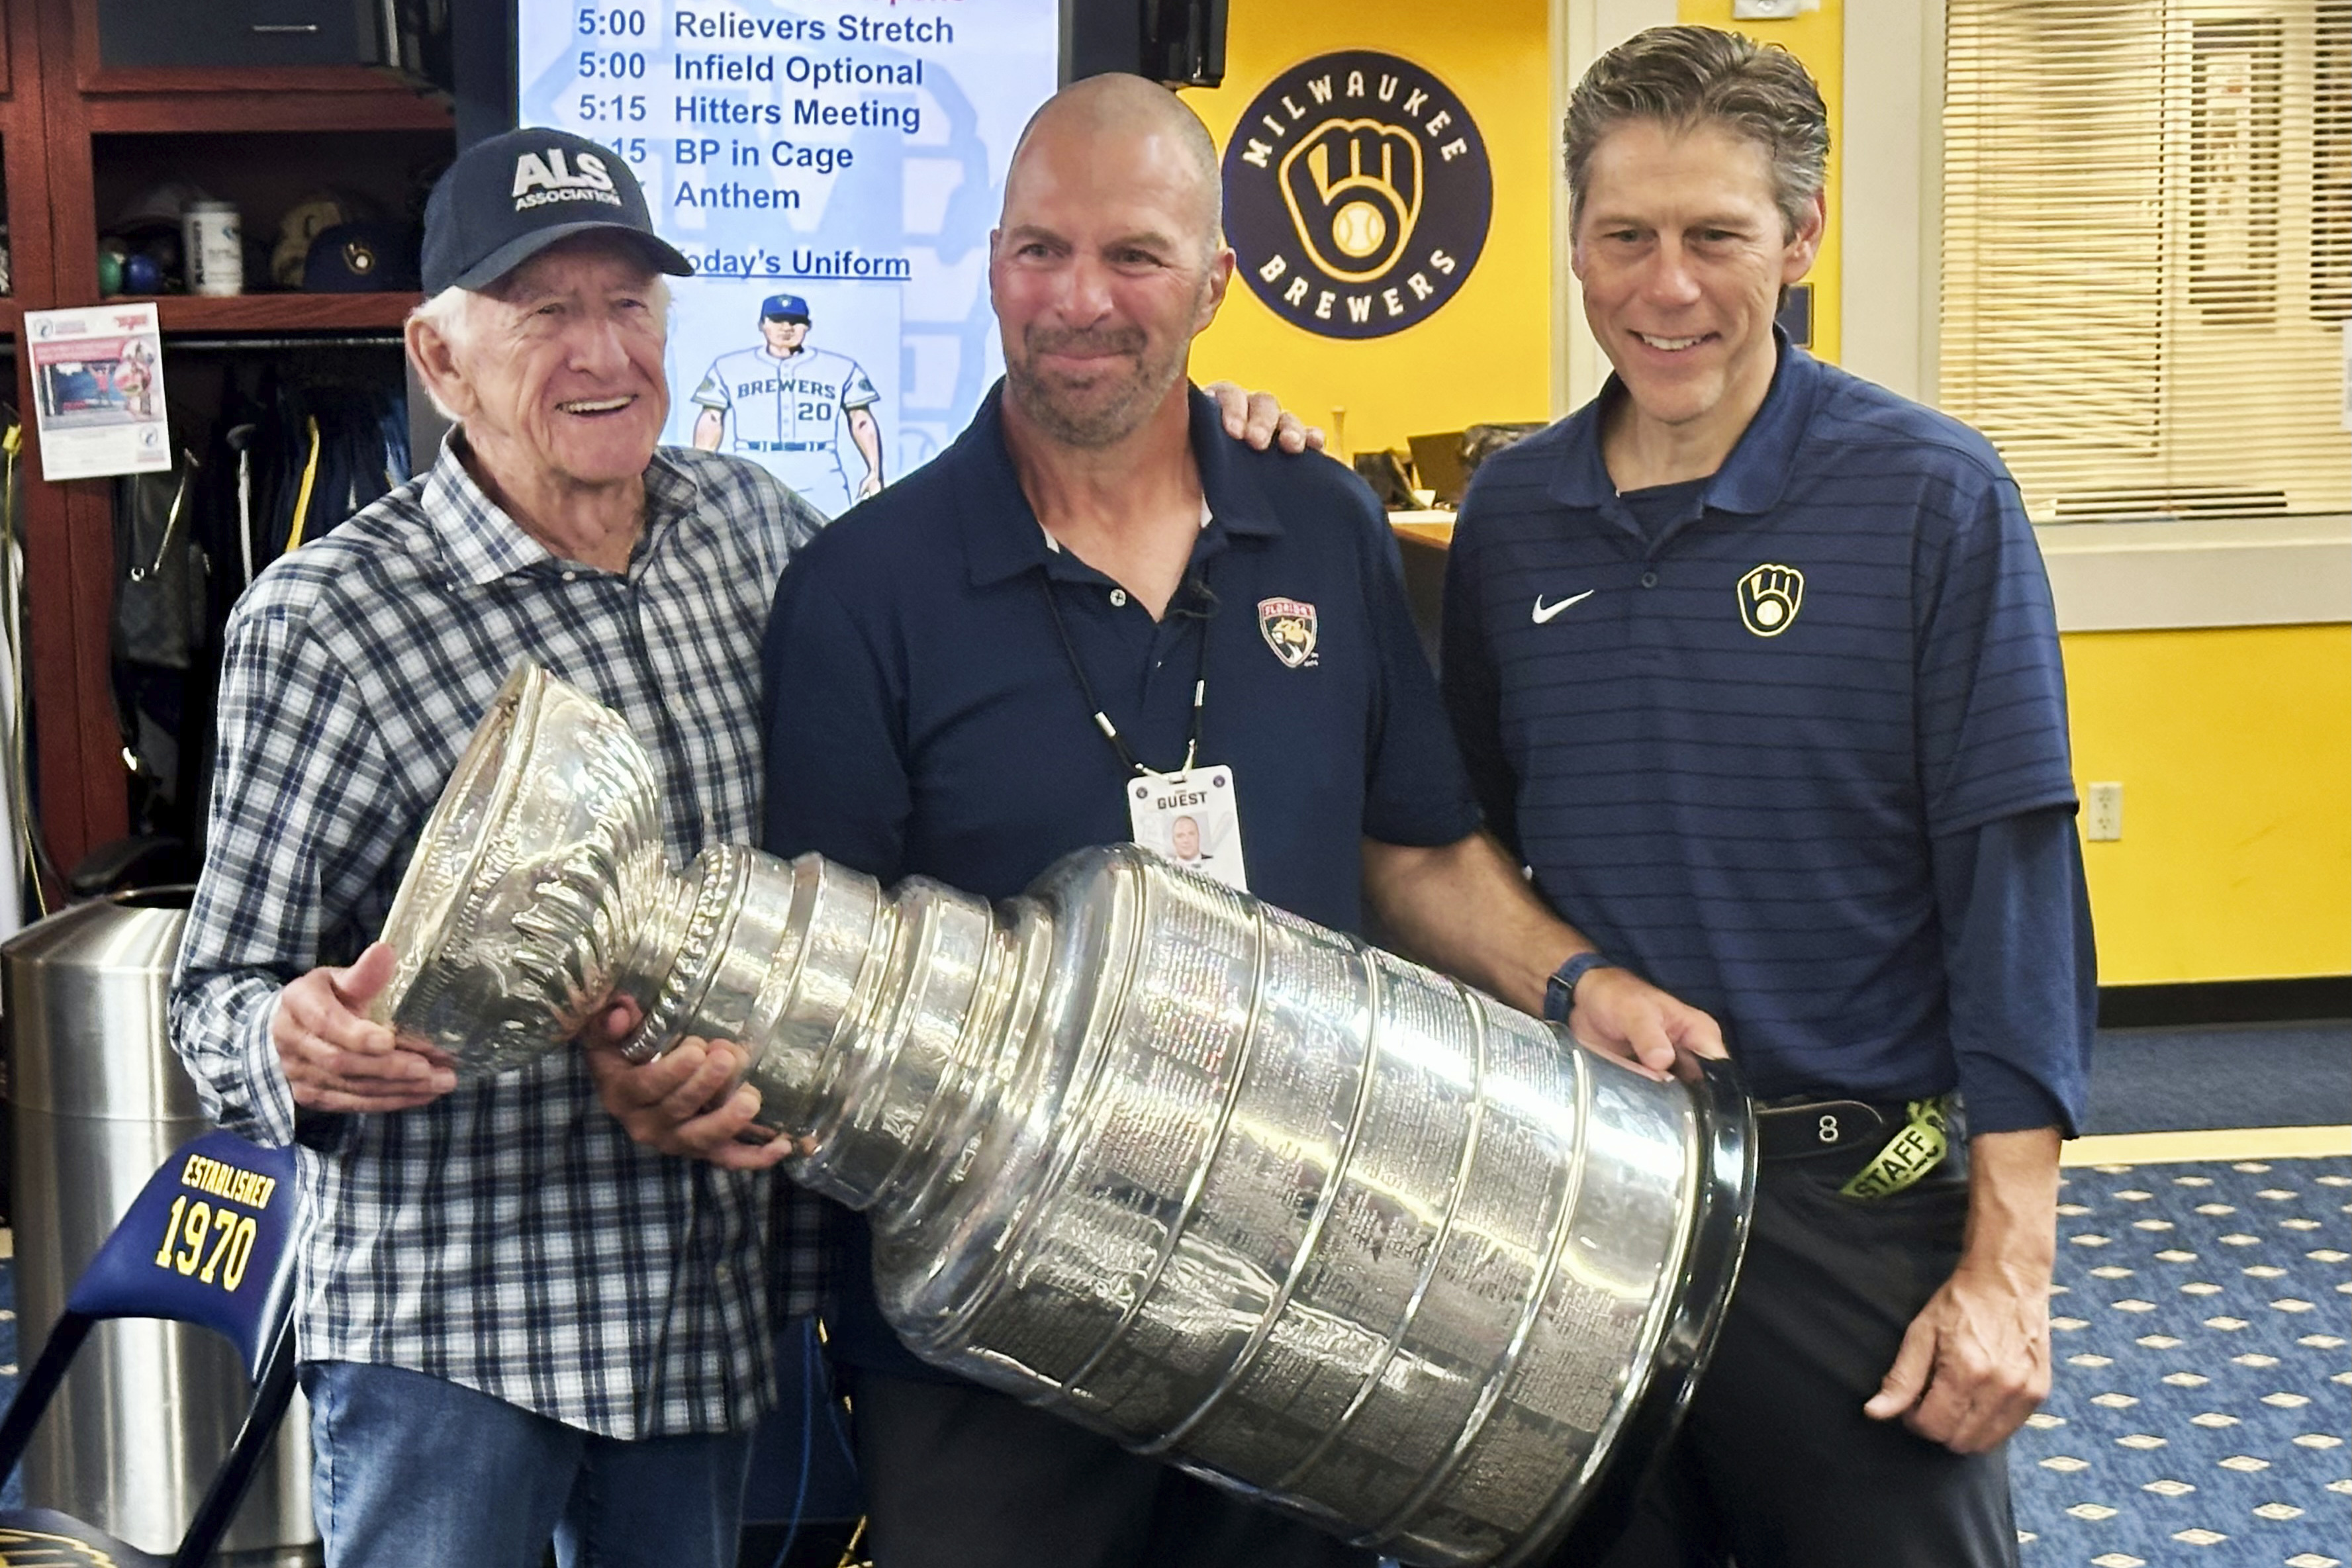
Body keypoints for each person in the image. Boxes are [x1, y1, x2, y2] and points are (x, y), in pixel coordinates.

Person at [598, 72, 1723, 1568]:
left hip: (1309, 1295)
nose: (1078, 300)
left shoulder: (1322, 528)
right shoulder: (864, 588)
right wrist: (686, 1073)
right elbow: (832, 971)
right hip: (985, 1331)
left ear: (1213, 282)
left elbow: (1418, 851)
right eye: (1039, 251)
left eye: (1132, 256)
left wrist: (1578, 984)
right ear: (991, 263)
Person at [1439, 28, 2094, 1568]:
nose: (1665, 287)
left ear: (1798, 241)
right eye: (1625, 236)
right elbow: (1458, 853)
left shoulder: (1932, 497)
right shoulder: (1510, 520)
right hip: (1582, 1211)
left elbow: (2014, 900)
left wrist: (2008, 1265)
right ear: (1578, 246)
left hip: (1847, 1216)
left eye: (1714, 236)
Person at [165, 126, 836, 1568]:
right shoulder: (327, 620)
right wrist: (286, 1040)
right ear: (440, 356)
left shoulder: (760, 536)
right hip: (456, 1326)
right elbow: (211, 992)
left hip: (700, 1305)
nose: (605, 352)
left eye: (631, 306)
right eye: (546, 313)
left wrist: (1216, 440)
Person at [691, 292, 884, 517]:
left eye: (796, 322)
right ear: (762, 325)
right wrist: (700, 472)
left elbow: (861, 420)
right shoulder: (729, 366)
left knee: (832, 545)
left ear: (808, 326)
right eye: (777, 320)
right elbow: (712, 419)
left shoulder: (840, 367)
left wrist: (874, 471)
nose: (787, 328)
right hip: (752, 466)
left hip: (820, 472)